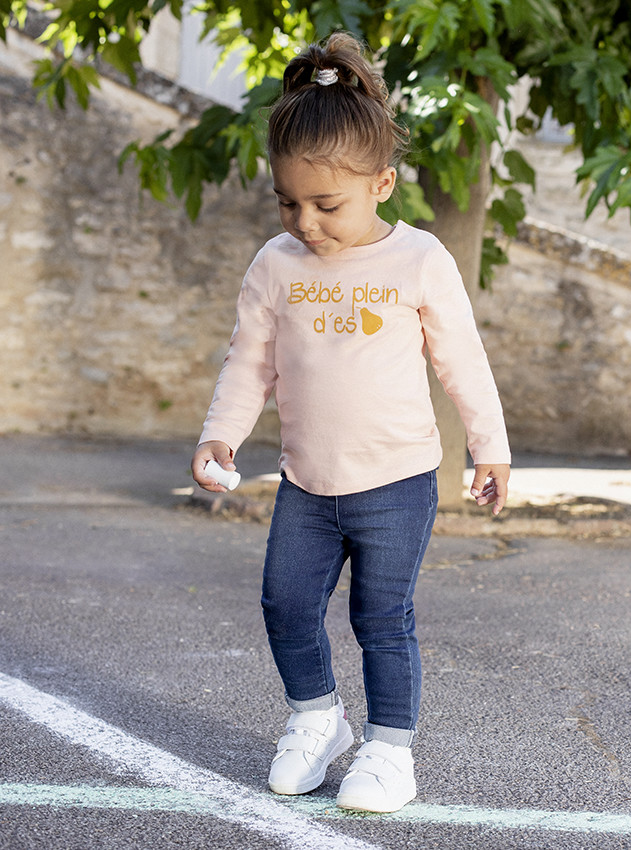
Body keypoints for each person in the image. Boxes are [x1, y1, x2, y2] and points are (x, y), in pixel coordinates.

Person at [191, 32, 511, 814]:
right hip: (306, 483)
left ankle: (390, 751)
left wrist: (489, 449)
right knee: (285, 604)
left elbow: (463, 362)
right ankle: (317, 720)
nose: (305, 221)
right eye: (288, 201)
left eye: (326, 204)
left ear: (382, 184)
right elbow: (249, 363)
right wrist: (218, 435)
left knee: (381, 616)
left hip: (397, 482)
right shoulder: (275, 265)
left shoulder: (420, 260)